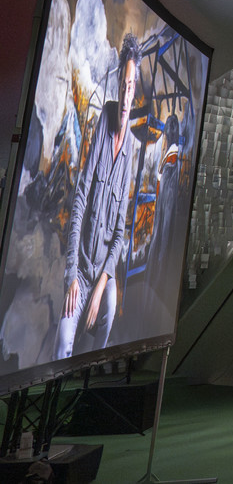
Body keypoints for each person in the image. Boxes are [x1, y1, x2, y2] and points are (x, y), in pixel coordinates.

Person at [59, 33, 141, 359]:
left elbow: (120, 232)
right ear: (118, 85)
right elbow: (80, 199)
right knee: (62, 340)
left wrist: (105, 281)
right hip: (81, 268)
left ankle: (88, 376)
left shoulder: (131, 149)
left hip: (103, 272)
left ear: (135, 91)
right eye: (122, 85)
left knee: (109, 308)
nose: (125, 94)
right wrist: (71, 275)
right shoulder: (104, 122)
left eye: (131, 87)